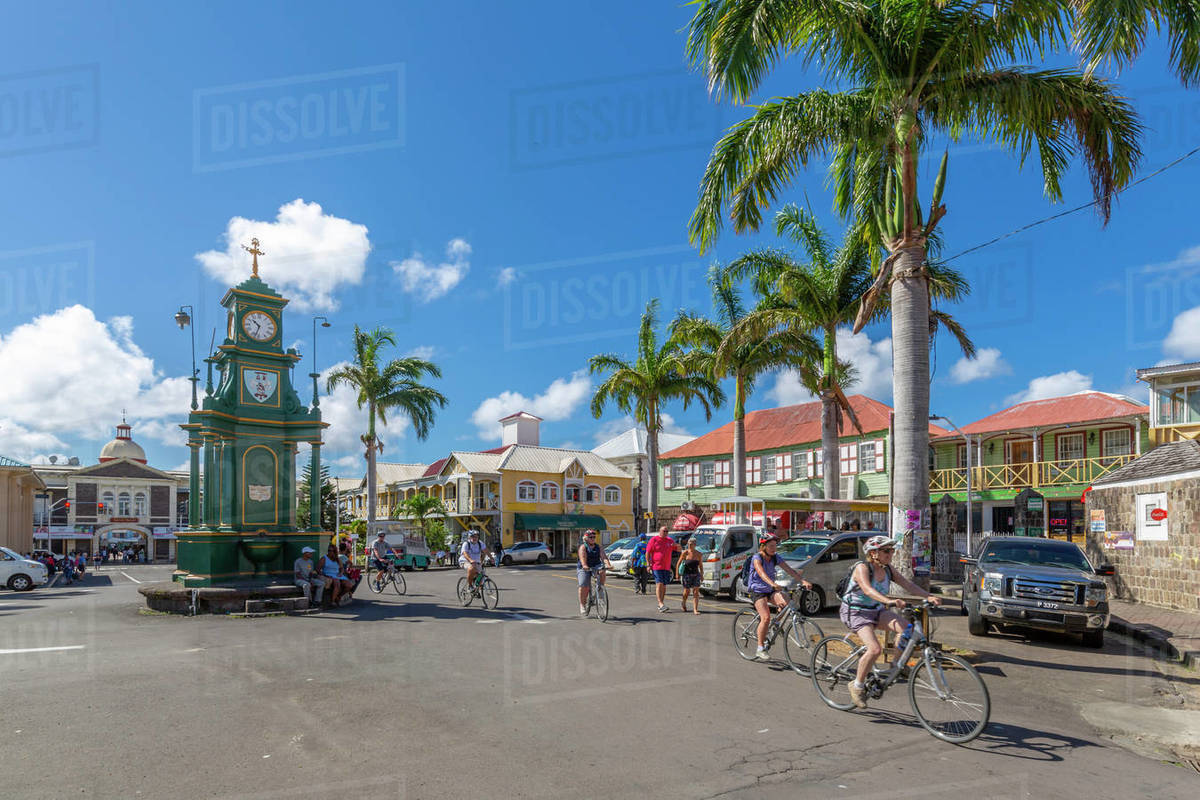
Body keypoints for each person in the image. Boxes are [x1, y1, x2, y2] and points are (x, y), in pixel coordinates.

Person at [840, 535, 942, 709]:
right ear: (873, 553)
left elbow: (907, 585)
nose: (891, 554)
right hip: (855, 612)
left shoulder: (888, 569)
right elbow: (867, 589)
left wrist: (929, 596)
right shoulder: (862, 568)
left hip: (875, 610)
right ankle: (856, 685)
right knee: (875, 649)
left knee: (907, 629)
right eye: (886, 551)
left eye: (892, 550)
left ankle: (896, 665)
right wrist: (888, 601)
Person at [746, 533, 812, 661]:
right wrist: (773, 584)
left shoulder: (776, 557)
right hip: (757, 590)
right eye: (771, 546)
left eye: (775, 546)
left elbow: (789, 570)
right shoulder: (757, 557)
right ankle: (760, 648)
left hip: (770, 589)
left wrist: (803, 581)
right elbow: (761, 572)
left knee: (788, 603)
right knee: (765, 618)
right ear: (763, 546)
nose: (774, 548)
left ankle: (776, 623)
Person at [576, 529, 613, 615]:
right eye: (590, 537)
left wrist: (608, 564)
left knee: (602, 571)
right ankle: (582, 605)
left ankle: (600, 590)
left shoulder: (598, 547)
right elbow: (583, 558)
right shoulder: (583, 547)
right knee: (584, 585)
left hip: (596, 565)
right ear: (586, 538)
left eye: (594, 537)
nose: (593, 538)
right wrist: (585, 566)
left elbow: (603, 557)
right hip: (584, 567)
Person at [646, 526, 680, 613]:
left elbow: (679, 549)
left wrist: (677, 545)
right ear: (660, 531)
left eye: (667, 531)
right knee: (659, 583)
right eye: (664, 531)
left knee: (664, 586)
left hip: (666, 566)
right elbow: (648, 552)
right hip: (656, 566)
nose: (666, 533)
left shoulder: (669, 540)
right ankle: (660, 603)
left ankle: (661, 604)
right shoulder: (654, 540)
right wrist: (648, 564)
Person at [677, 537, 703, 614]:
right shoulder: (685, 553)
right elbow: (678, 563)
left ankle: (695, 609)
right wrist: (677, 574)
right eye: (688, 544)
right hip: (686, 574)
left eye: (691, 544)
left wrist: (701, 574)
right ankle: (683, 602)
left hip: (696, 574)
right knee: (687, 591)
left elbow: (700, 565)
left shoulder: (698, 554)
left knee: (696, 592)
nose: (689, 545)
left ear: (695, 545)